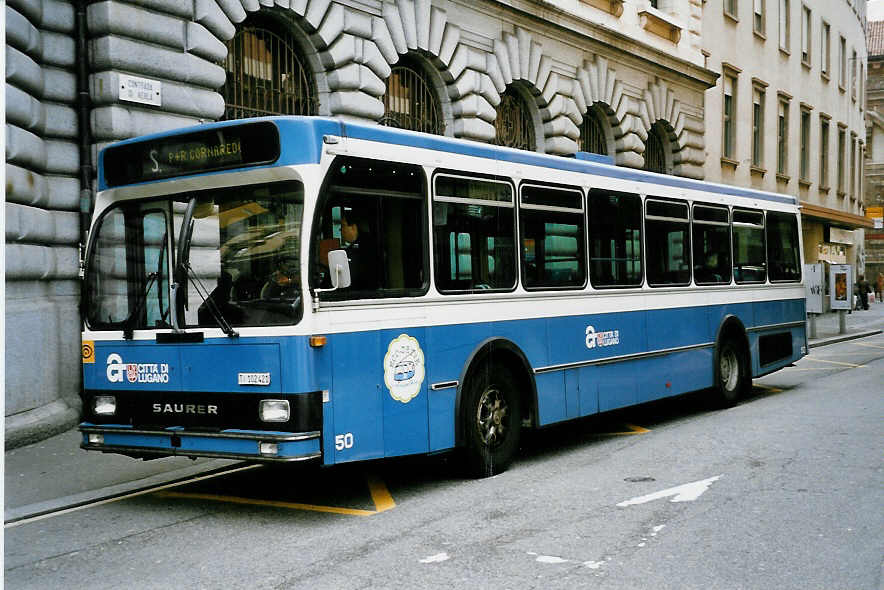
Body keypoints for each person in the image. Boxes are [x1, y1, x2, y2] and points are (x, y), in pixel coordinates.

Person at [339, 207, 378, 290]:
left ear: (353, 227)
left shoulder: (364, 247)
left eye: (343, 226)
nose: (340, 229)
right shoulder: (365, 243)